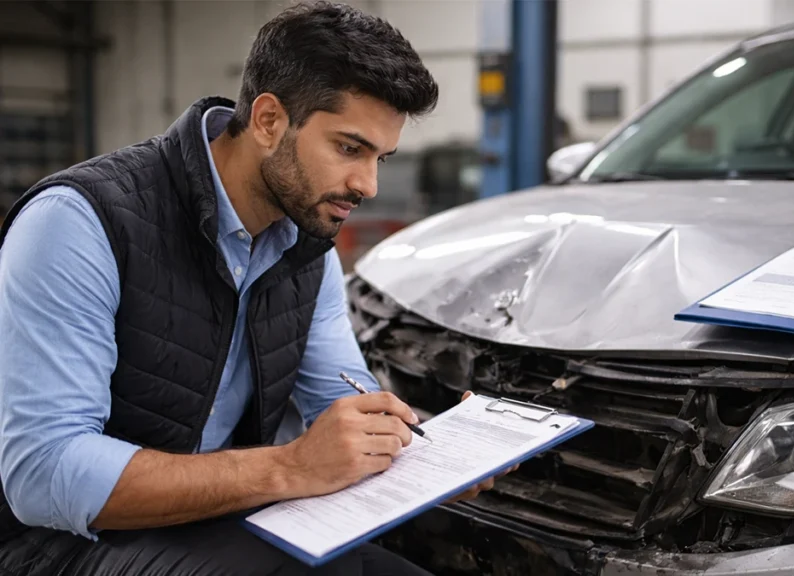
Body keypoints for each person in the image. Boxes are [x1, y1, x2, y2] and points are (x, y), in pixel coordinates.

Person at [0, 2, 499, 574]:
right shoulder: (80, 221)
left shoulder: (308, 249)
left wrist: (433, 456)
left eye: (381, 157)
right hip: (61, 543)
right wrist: (288, 467)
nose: (367, 183)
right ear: (268, 121)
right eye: (349, 148)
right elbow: (42, 473)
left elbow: (342, 407)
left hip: (227, 516)